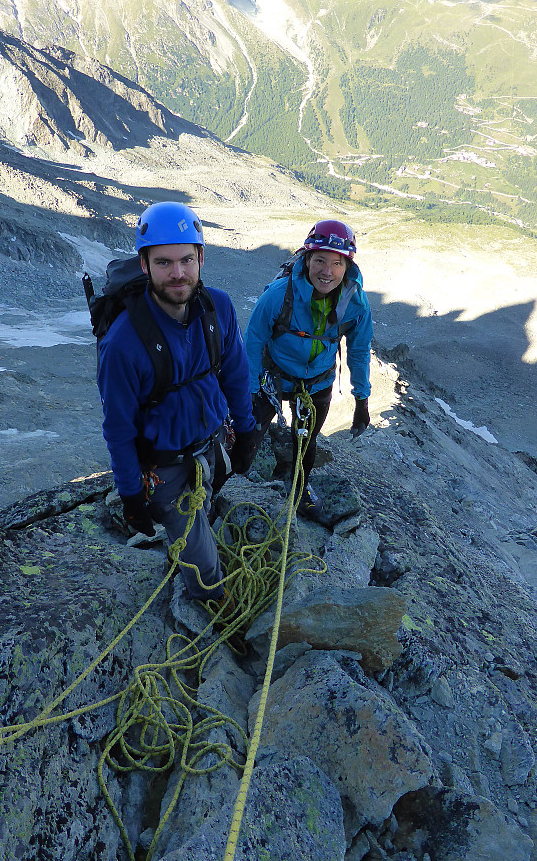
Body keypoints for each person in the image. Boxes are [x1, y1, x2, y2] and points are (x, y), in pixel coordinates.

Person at [97, 201, 257, 603]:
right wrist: (131, 494)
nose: (178, 273)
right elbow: (118, 429)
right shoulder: (122, 344)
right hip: (164, 466)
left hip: (213, 442)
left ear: (201, 258)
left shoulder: (217, 308)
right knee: (203, 568)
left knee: (209, 505)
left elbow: (235, 373)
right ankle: (219, 616)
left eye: (187, 259)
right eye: (164, 262)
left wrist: (248, 429)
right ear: (145, 264)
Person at [245, 219, 373, 524]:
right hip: (273, 375)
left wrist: (362, 400)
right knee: (249, 434)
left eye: (336, 263)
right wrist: (248, 392)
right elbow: (253, 341)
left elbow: (358, 350)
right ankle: (228, 482)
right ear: (307, 259)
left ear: (347, 267)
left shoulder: (355, 303)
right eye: (319, 260)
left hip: (316, 382)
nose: (327, 272)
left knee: (306, 440)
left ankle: (300, 490)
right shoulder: (280, 293)